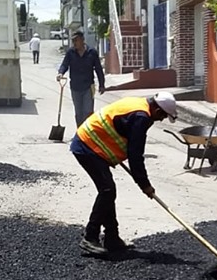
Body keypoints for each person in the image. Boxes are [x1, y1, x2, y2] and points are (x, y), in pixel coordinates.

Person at [70, 91, 178, 256]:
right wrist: (145, 185)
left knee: (108, 191)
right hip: (87, 145)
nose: (161, 120)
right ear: (157, 111)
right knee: (107, 190)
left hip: (93, 145)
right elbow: (135, 156)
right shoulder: (142, 117)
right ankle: (90, 237)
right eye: (163, 116)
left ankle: (112, 238)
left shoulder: (139, 104)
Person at [57, 28, 105, 126]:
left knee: (88, 112)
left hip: (88, 86)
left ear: (82, 40)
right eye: (73, 40)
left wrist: (102, 84)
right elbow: (64, 65)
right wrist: (60, 73)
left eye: (76, 40)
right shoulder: (70, 53)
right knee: (79, 113)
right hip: (75, 87)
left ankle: (88, 133)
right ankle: (80, 133)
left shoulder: (92, 52)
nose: (74, 43)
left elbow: (98, 69)